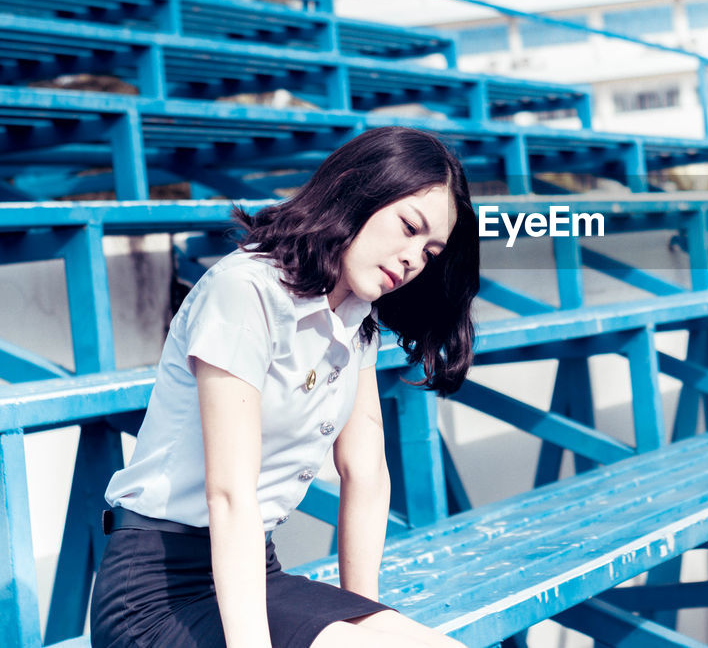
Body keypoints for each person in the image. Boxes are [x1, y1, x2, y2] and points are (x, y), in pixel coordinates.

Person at [90, 126, 480, 648]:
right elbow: (229, 495)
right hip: (154, 591)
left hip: (256, 573)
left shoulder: (356, 319)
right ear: (357, 191)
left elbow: (366, 474)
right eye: (409, 227)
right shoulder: (244, 289)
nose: (414, 258)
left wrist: (360, 613)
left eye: (430, 252)